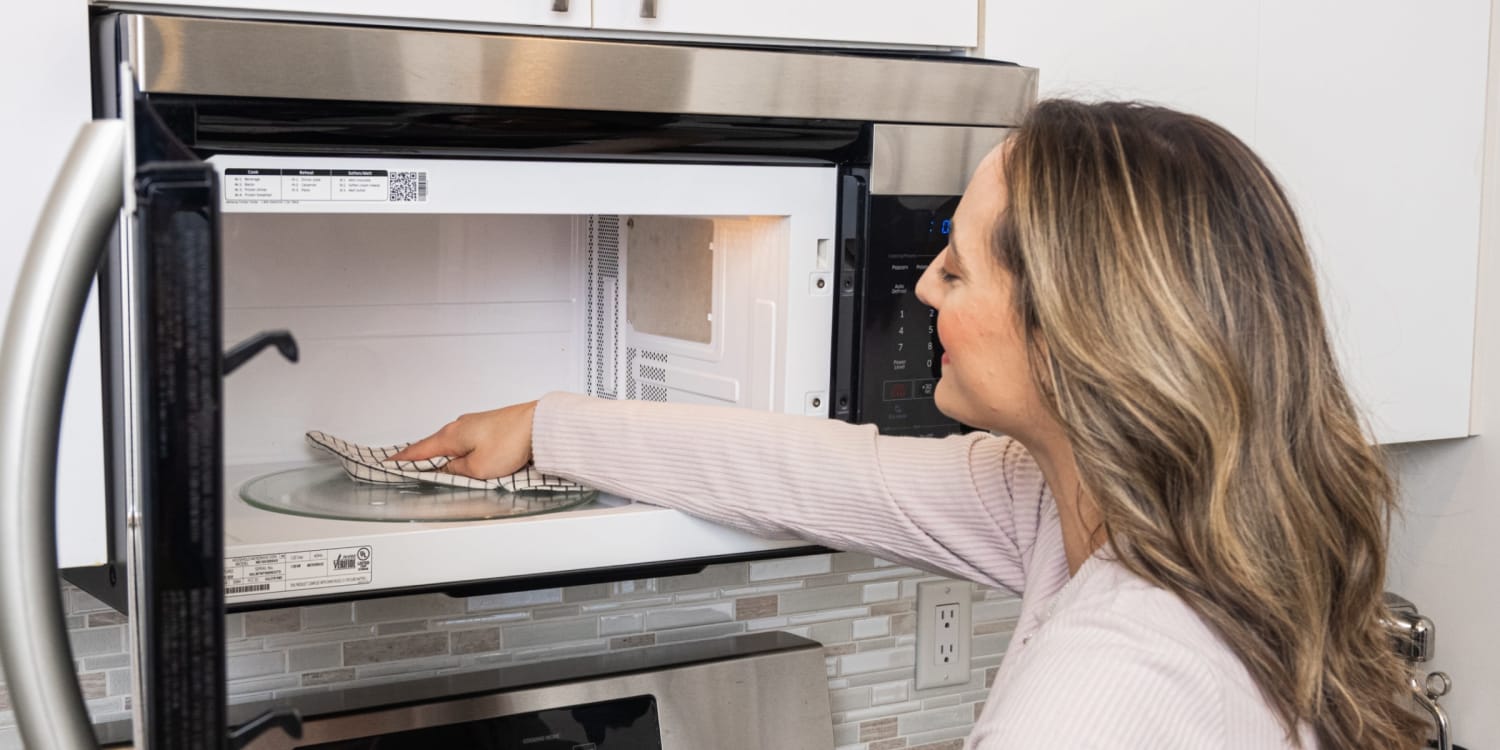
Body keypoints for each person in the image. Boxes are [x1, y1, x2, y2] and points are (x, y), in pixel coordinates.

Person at [393, 100, 1428, 749]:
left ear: (1076, 330)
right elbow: (822, 474)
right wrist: (548, 424)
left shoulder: (1108, 686)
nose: (925, 285)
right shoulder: (1120, 511)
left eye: (960, 264)